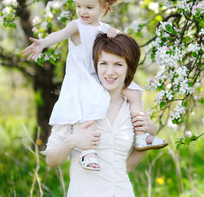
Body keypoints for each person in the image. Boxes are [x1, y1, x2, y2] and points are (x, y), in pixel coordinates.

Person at [23, 0, 167, 171]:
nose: (82, 11)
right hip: (82, 79)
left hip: (100, 77)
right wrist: (42, 44)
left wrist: (117, 35)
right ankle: (88, 152)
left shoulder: (106, 29)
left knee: (134, 92)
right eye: (79, 6)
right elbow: (59, 35)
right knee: (88, 109)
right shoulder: (77, 26)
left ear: (104, 8)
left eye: (89, 8)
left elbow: (121, 45)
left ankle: (142, 135)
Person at [44, 33, 156, 196]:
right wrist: (73, 141)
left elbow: (128, 166)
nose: (109, 72)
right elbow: (51, 160)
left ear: (129, 68)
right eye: (103, 63)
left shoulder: (131, 108)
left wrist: (151, 132)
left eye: (118, 64)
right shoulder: (76, 103)